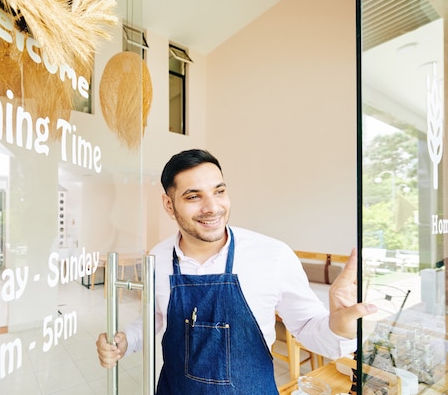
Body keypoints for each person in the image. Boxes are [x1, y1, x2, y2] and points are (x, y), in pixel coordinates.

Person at [96, 149, 377, 394]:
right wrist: (127, 340)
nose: (213, 207)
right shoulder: (157, 256)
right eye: (194, 196)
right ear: (169, 205)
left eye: (219, 191)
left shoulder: (272, 255)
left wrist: (340, 328)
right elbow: (156, 316)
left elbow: (307, 329)